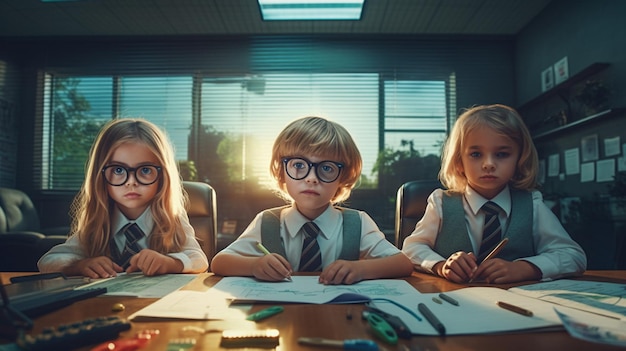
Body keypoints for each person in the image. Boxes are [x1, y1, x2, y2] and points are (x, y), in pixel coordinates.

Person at [211, 116, 414, 285]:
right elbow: (220, 262)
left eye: (326, 168)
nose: (311, 178)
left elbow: (402, 263)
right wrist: (254, 266)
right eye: (299, 165)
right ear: (282, 172)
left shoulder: (357, 222)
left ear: (342, 179)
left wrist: (360, 269)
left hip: (340, 319)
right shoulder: (267, 221)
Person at [402, 104, 587, 284]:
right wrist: (441, 265)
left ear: (519, 159)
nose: (488, 164)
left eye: (501, 154)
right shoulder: (441, 202)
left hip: (517, 304)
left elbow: (573, 256)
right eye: (476, 154)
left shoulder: (532, 203)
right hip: (451, 301)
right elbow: (411, 248)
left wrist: (524, 268)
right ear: (459, 162)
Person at [38, 118, 209, 278]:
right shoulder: (98, 221)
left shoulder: (172, 218)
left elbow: (199, 259)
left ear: (163, 176)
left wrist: (170, 263)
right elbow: (47, 261)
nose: (131, 182)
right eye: (119, 170)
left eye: (145, 170)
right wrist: (79, 265)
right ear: (100, 176)